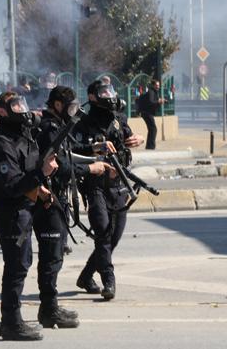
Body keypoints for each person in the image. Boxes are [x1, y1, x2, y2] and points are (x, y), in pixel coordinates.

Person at [0, 92, 64, 340]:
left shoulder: (21, 135)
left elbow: (25, 172)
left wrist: (40, 190)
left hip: (25, 206)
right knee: (17, 265)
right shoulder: (0, 142)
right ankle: (10, 322)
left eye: (22, 104)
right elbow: (12, 184)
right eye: (15, 106)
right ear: (2, 111)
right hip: (9, 211)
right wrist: (42, 173)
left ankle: (36, 312)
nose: (22, 109)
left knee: (33, 256)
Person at [33, 86, 114, 326]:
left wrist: (92, 149)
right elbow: (61, 167)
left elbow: (68, 150)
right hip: (48, 200)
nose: (73, 111)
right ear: (57, 105)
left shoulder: (57, 126)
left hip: (54, 199)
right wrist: (90, 168)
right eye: (69, 107)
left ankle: (50, 307)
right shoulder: (49, 129)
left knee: (54, 256)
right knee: (51, 258)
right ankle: (49, 310)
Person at [74, 81, 144, 300]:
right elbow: (73, 149)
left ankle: (86, 275)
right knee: (103, 233)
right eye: (103, 92)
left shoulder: (119, 118)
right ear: (92, 96)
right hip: (95, 185)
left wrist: (137, 139)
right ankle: (108, 280)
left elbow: (128, 139)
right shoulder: (82, 122)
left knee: (114, 236)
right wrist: (95, 148)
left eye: (110, 91)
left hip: (119, 184)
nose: (109, 95)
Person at [138, 79, 164, 150]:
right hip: (147, 113)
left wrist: (159, 102)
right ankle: (151, 146)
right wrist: (159, 102)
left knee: (152, 129)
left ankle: (149, 146)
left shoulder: (154, 92)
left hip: (148, 113)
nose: (158, 87)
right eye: (156, 85)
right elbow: (151, 102)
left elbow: (153, 102)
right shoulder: (151, 92)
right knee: (153, 129)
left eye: (158, 85)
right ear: (153, 85)